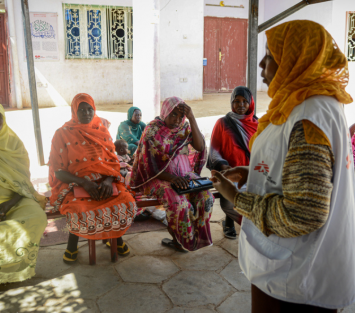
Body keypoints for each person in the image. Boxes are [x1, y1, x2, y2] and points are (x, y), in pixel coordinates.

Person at [211, 20, 355, 312]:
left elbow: (303, 214)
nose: (262, 64)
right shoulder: (308, 104)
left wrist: (237, 198)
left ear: (298, 57)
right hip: (292, 269)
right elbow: (302, 172)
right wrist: (254, 173)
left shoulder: (308, 116)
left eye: (272, 55)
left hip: (296, 276)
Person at [49, 93, 136, 263]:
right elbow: (58, 171)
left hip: (104, 182)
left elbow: (113, 162)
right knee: (78, 210)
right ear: (74, 111)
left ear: (94, 109)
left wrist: (108, 181)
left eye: (90, 109)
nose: (86, 113)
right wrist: (84, 183)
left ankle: (117, 239)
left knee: (126, 202)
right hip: (75, 183)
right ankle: (72, 245)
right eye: (81, 110)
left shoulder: (101, 131)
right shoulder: (62, 134)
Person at [130, 96, 214, 252]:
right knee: (179, 203)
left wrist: (192, 118)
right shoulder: (153, 130)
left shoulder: (185, 128)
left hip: (184, 175)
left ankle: (198, 236)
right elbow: (148, 165)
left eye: (181, 115)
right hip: (158, 178)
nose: (177, 119)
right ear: (165, 112)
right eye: (173, 114)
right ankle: (183, 241)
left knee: (206, 197)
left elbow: (200, 146)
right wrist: (173, 179)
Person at [0, 105, 47, 284]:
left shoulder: (15, 145)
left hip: (15, 199)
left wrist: (9, 203)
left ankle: (11, 270)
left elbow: (24, 183)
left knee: (37, 217)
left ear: (4, 120)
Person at [207, 86, 258, 239]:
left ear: (251, 103)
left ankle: (253, 227)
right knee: (229, 204)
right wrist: (223, 166)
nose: (240, 105)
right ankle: (252, 227)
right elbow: (214, 149)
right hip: (229, 173)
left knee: (252, 201)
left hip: (251, 173)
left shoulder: (258, 124)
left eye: (244, 101)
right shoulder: (223, 123)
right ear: (231, 103)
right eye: (236, 101)